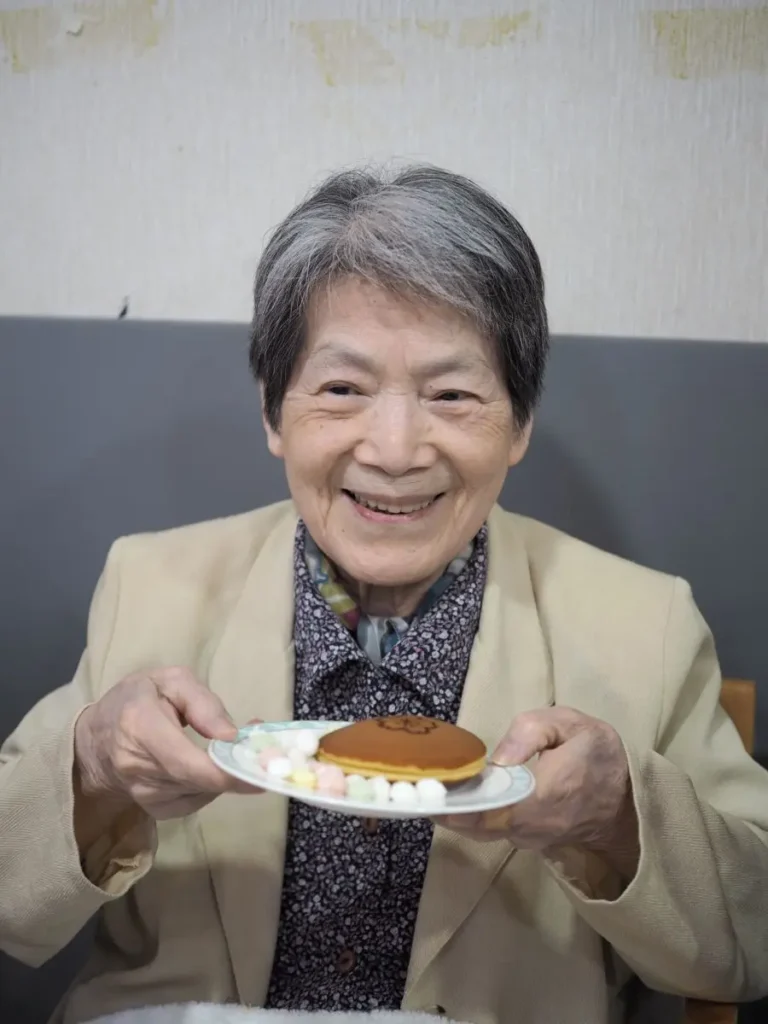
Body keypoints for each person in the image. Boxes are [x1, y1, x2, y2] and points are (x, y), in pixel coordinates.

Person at [2, 164, 768, 1024]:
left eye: (452, 394)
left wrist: (618, 815)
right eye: (343, 390)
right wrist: (93, 769)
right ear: (273, 411)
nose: (396, 450)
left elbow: (752, 939)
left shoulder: (645, 625)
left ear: (519, 423)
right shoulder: (150, 586)